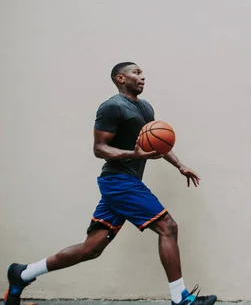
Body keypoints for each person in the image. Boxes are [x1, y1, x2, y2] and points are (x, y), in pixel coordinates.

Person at [4, 62, 216, 305]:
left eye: (142, 73)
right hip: (118, 181)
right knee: (168, 227)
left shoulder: (146, 108)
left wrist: (180, 165)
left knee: (91, 249)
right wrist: (135, 155)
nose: (142, 76)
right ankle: (181, 298)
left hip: (123, 183)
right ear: (120, 78)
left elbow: (157, 144)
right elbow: (99, 149)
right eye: (136, 72)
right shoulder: (111, 107)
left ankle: (22, 273)